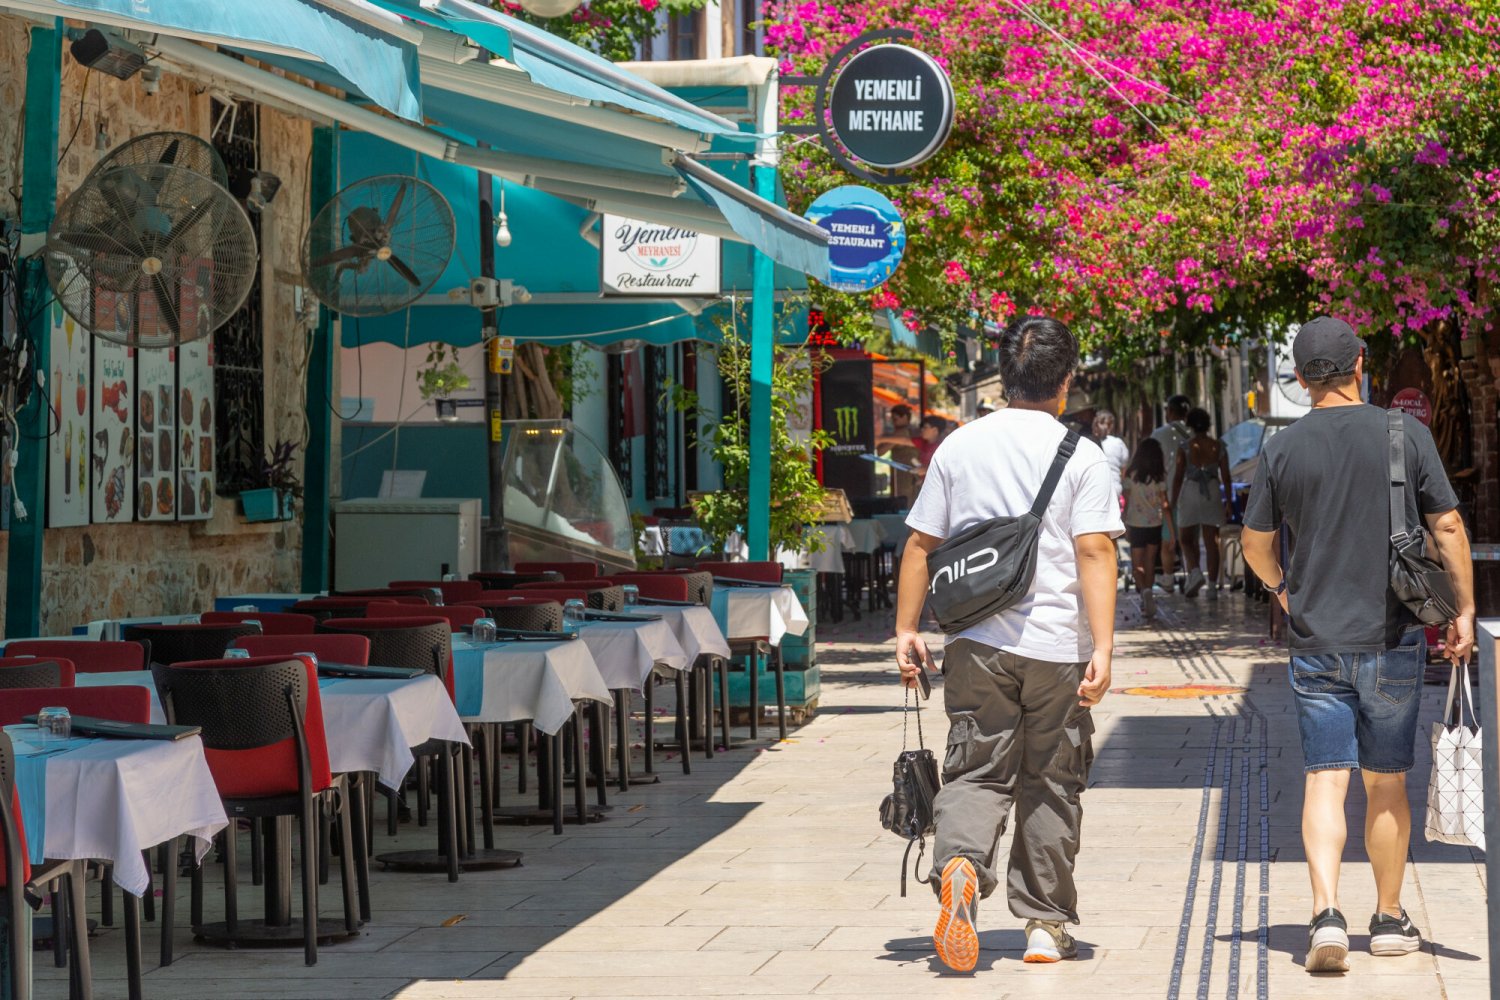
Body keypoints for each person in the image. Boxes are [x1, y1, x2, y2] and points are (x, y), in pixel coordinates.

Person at [1240, 316, 1474, 974]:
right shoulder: (1405, 434)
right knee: (1387, 783)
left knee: (1323, 778)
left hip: (1316, 639)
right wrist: (1464, 606)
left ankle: (1324, 914)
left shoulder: (1282, 450)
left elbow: (1255, 545)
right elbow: (1448, 524)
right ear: (1360, 363)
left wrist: (1285, 591)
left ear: (1298, 376)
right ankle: (1390, 917)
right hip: (1392, 635)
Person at [895, 315, 1122, 971]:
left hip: (975, 642)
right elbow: (1095, 549)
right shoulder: (1082, 454)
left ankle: (962, 868)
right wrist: (1102, 646)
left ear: (1003, 373)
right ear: (1066, 379)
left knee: (975, 770)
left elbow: (920, 544)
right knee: (1051, 783)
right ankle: (1045, 926)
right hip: (1056, 648)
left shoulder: (961, 447)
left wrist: (907, 629)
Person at [1171, 408, 1235, 599]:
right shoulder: (1219, 446)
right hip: (1212, 491)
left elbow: (1178, 476)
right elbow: (1226, 477)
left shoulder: (1185, 447)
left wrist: (1174, 500)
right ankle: (1213, 586)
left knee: (1185, 538)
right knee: (1211, 542)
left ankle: (1195, 571)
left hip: (1190, 490)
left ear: (1190, 424)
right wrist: (1229, 502)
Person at [1122, 438, 1170, 618]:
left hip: (1136, 523)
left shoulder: (1131, 476)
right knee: (1150, 562)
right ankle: (1148, 592)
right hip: (1155, 524)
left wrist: (1123, 522)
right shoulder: (1159, 477)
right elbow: (1165, 504)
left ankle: (1144, 593)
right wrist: (1171, 531)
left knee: (1137, 566)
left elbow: (1126, 502)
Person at [1149, 395, 1192, 587]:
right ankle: (1193, 575)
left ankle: (1168, 577)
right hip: (1191, 493)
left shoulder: (1159, 434)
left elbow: (1152, 462)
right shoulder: (1194, 434)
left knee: (1168, 539)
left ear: (1171, 412)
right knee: (1189, 539)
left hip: (1166, 494)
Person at [1091, 409, 1130, 507]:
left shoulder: (1089, 442)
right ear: (1111, 425)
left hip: (1095, 490)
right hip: (1115, 489)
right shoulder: (1118, 443)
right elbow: (1124, 469)